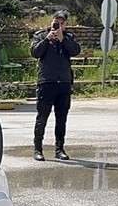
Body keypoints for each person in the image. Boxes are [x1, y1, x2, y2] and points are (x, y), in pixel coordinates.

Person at [30, 10, 81, 161]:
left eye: (63, 22)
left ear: (66, 24)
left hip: (64, 82)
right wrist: (47, 39)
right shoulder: (40, 35)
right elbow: (35, 52)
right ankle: (38, 149)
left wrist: (63, 38)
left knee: (62, 118)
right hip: (47, 82)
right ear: (52, 21)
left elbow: (75, 51)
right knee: (42, 117)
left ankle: (60, 149)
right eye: (57, 21)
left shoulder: (69, 37)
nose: (59, 24)